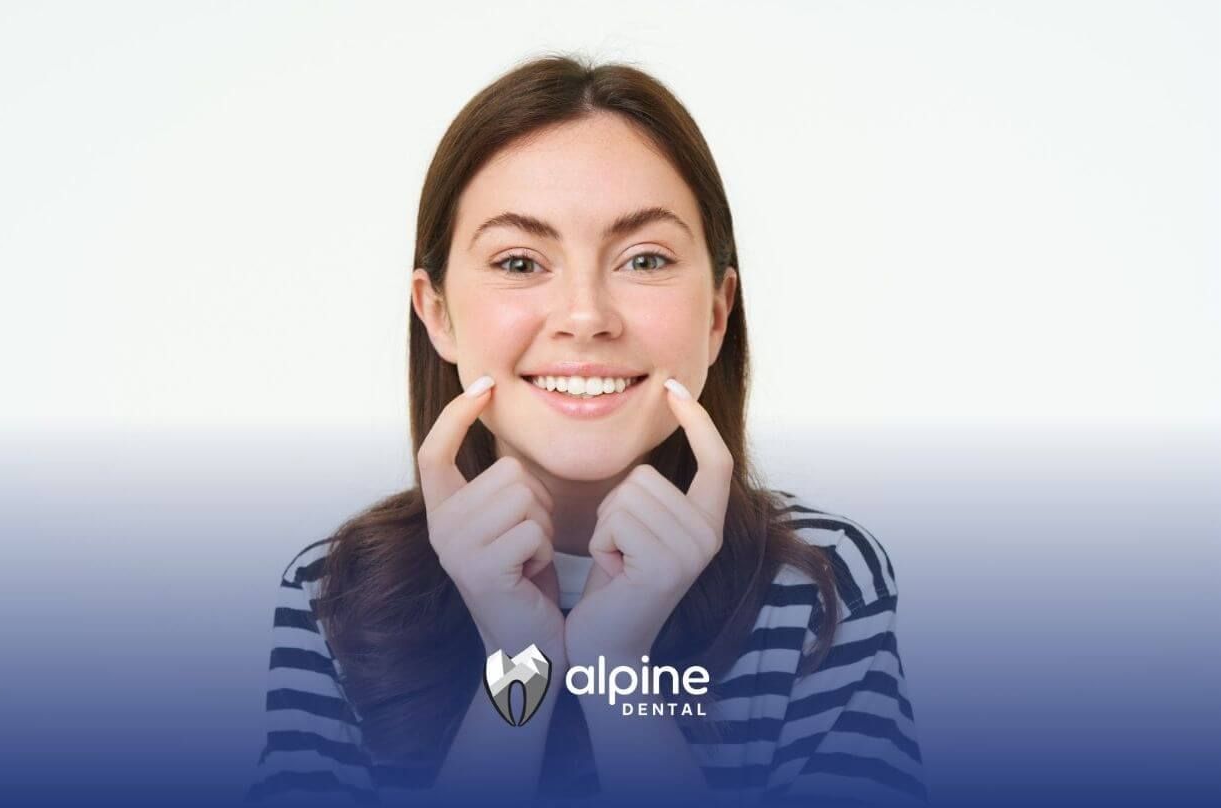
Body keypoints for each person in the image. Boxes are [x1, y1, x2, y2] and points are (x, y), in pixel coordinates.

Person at [244, 53, 928, 808]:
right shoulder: (333, 597)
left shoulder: (822, 585)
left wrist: (615, 673)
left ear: (716, 311)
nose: (585, 316)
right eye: (518, 261)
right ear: (436, 312)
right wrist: (522, 659)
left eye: (643, 258)